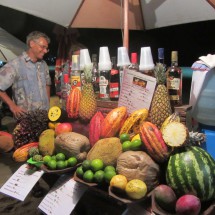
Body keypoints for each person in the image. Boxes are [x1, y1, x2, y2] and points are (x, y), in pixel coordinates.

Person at [0, 31, 51, 119]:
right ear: (32, 44)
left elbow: (47, 84)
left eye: (47, 48)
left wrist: (47, 105)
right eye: (43, 47)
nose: (45, 51)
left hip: (44, 117)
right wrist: (13, 106)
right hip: (25, 119)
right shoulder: (15, 65)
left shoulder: (43, 65)